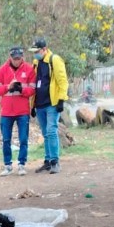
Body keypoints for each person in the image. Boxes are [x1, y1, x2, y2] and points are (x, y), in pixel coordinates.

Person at [0, 46, 36, 176]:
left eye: (19, 58)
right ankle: (8, 165)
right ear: (10, 57)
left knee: (23, 139)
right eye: (14, 58)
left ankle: (22, 164)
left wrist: (21, 89)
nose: (17, 61)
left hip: (22, 111)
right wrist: (8, 87)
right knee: (6, 139)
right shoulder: (2, 70)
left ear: (22, 57)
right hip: (6, 112)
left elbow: (33, 90)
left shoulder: (29, 69)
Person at [30, 37, 68, 174]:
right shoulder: (36, 63)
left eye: (37, 51)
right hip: (39, 104)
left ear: (44, 49)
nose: (35, 54)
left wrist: (61, 100)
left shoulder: (54, 60)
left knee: (51, 131)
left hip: (52, 103)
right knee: (45, 133)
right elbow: (34, 83)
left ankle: (55, 161)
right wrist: (32, 105)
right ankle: (47, 161)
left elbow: (63, 81)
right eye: (34, 52)